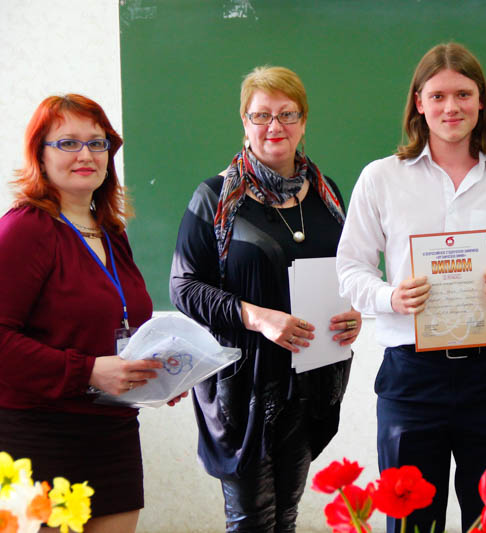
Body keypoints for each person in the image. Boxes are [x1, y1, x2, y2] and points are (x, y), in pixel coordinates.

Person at [337, 43, 486, 532]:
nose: (450, 107)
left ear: (481, 101)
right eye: (437, 96)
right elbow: (350, 269)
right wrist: (390, 297)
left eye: (463, 94)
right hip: (411, 378)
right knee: (411, 524)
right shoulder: (380, 178)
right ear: (418, 103)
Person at [169, 65, 360, 532]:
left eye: (287, 114)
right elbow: (183, 287)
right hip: (244, 385)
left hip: (310, 377)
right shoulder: (215, 196)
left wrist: (353, 309)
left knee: (286, 517)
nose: (275, 126)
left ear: (304, 121)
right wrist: (257, 317)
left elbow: (348, 270)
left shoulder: (327, 194)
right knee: (252, 521)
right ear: (245, 122)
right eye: (261, 115)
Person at [0, 94, 173, 533]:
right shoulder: (25, 229)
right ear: (40, 155)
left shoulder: (111, 231)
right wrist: (89, 371)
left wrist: (159, 374)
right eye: (68, 143)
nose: (86, 155)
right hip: (38, 435)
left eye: (97, 143)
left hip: (113, 433)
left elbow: (120, 325)